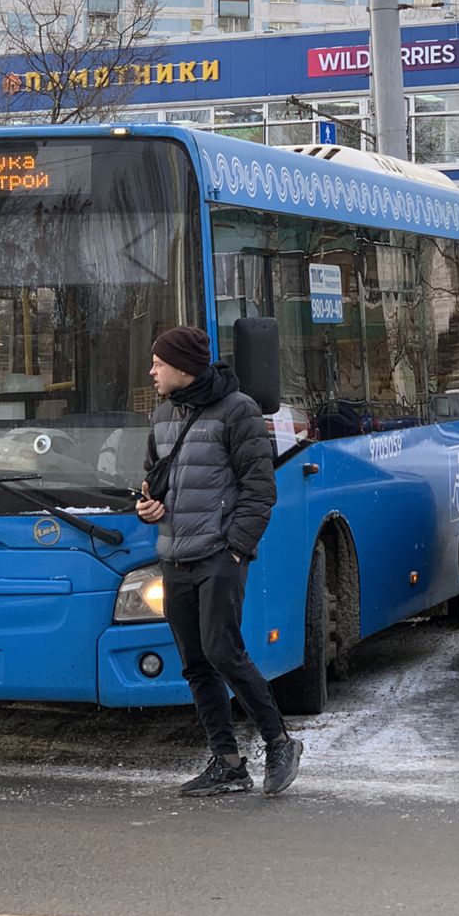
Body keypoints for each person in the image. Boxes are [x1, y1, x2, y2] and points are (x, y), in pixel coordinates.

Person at [136, 325, 304, 796]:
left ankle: (279, 742)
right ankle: (227, 762)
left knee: (223, 651)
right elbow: (154, 482)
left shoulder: (239, 411)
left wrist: (236, 547)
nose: (151, 370)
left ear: (183, 368)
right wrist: (145, 506)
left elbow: (260, 489)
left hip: (218, 555)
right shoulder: (163, 415)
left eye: (159, 362)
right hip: (174, 553)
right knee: (195, 661)